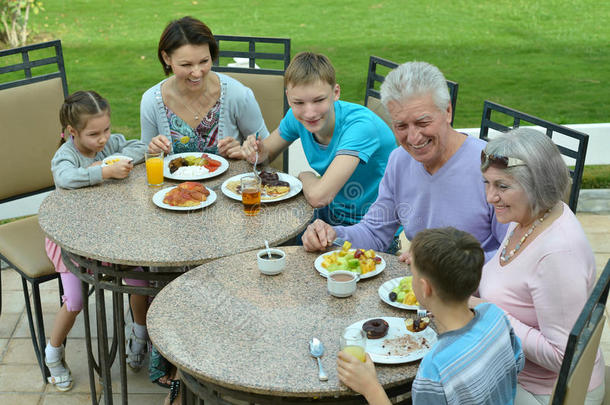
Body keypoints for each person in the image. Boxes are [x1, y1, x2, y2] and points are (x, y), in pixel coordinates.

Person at [302, 61, 508, 261]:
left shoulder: (491, 168)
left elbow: (512, 254)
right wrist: (332, 236)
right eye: (401, 126)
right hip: (419, 286)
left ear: (447, 111)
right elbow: (374, 233)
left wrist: (446, 264)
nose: (413, 138)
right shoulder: (399, 160)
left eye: (422, 122)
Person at [473, 127, 605, 405]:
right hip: (511, 368)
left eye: (502, 186)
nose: (490, 197)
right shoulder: (531, 215)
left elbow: (561, 357)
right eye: (487, 183)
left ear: (537, 185)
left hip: (546, 393)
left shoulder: (558, 255)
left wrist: (485, 312)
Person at [337, 227, 524, 404]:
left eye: (413, 274)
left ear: (425, 288)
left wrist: (371, 388)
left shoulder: (434, 370)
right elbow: (516, 365)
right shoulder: (495, 315)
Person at [45, 91, 150, 391]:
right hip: (73, 241)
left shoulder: (109, 144)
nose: (103, 139)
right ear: (72, 133)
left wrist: (128, 157)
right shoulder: (66, 155)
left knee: (139, 282)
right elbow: (65, 178)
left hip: (110, 238)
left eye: (106, 129)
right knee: (75, 300)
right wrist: (103, 171)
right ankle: (53, 352)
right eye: (94, 134)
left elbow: (137, 146)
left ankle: (139, 336)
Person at [241, 52, 396, 229]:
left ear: (335, 92)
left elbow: (318, 197)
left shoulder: (360, 127)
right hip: (329, 216)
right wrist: (257, 152)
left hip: (374, 227)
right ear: (288, 98)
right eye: (298, 102)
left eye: (319, 100)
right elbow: (265, 154)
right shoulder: (296, 116)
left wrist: (304, 176)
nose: (309, 112)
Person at [140, 16, 268, 157]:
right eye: (186, 64)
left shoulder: (238, 95)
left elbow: (266, 150)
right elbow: (145, 159)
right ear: (166, 58)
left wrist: (246, 152)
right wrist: (152, 151)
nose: (196, 73)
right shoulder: (151, 101)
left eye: (204, 61)